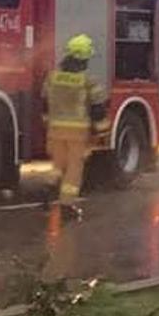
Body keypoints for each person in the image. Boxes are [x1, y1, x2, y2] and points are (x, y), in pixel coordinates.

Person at [46, 33, 108, 216]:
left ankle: (49, 193)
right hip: (77, 133)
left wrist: (47, 122)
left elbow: (44, 102)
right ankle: (67, 205)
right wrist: (101, 130)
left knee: (58, 165)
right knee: (74, 169)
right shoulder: (88, 81)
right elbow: (97, 109)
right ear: (83, 58)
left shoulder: (52, 77)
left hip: (55, 131)